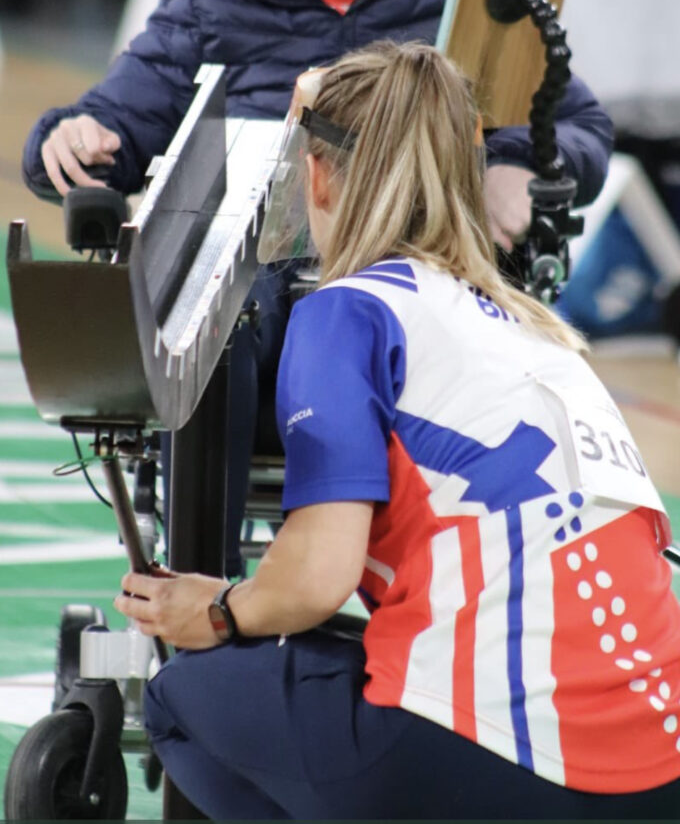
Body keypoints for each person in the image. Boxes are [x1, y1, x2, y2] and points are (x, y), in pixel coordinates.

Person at [22, 0, 613, 573]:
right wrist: (73, 137)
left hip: (426, 274)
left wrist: (518, 163)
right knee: (216, 322)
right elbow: (119, 120)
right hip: (259, 284)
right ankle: (206, 592)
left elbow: (577, 126)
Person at [115, 41, 680, 821]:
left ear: (316, 174)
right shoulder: (545, 332)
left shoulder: (347, 313)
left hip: (496, 761)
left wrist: (216, 610)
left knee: (184, 697)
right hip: (657, 772)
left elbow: (317, 579)